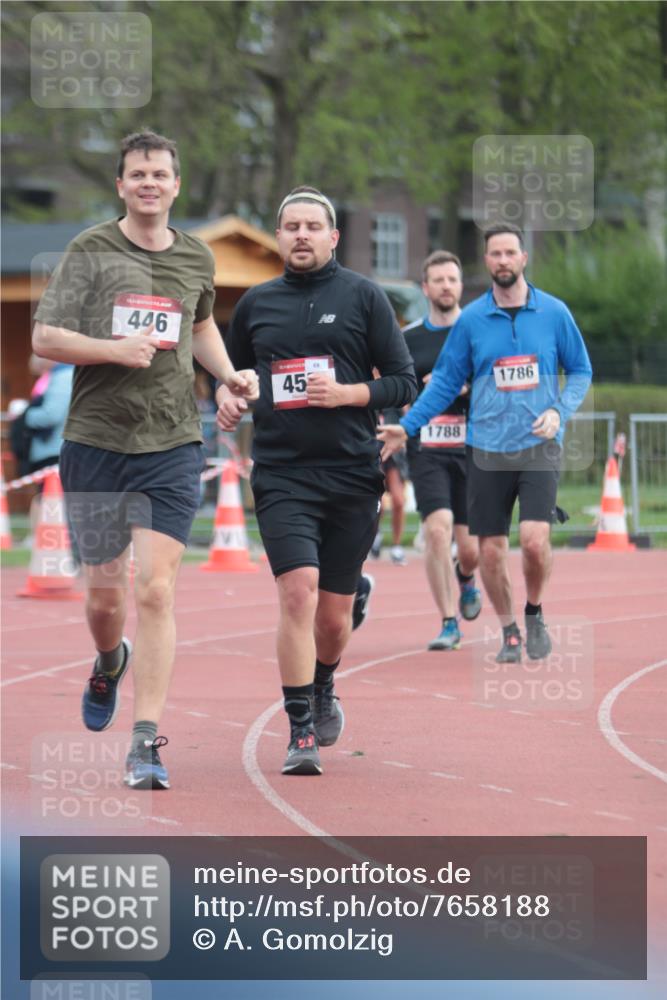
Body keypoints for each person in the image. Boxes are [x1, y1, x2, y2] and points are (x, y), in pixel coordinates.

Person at [32, 129, 258, 790]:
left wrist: (227, 375)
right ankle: (109, 660)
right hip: (97, 442)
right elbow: (46, 335)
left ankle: (145, 742)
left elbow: (199, 323)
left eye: (160, 174)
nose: (150, 184)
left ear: (176, 184)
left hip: (172, 442)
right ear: (122, 184)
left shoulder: (195, 257)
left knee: (155, 588)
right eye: (138, 174)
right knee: (106, 596)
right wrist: (113, 348)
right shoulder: (91, 250)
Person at [218, 185, 417, 776]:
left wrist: (351, 393)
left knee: (332, 618)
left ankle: (325, 683)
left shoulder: (365, 297)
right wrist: (231, 399)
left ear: (333, 236)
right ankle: (300, 728)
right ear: (278, 236)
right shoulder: (255, 304)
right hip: (282, 473)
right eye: (291, 226)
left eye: (313, 226)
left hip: (354, 473)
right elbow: (229, 379)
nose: (301, 235)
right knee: (296, 592)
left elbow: (404, 381)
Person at [378, 222, 592, 663]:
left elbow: (582, 371)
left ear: (523, 258)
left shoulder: (554, 313)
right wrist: (409, 425)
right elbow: (444, 385)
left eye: (510, 252)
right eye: (494, 254)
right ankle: (510, 629)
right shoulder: (473, 321)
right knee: (490, 550)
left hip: (538, 443)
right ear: (488, 262)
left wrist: (559, 411)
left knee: (533, 540)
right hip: (486, 448)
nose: (503, 261)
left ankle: (534, 610)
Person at [400, 250, 482, 650]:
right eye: (439, 279)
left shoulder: (479, 330)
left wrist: (463, 387)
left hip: (473, 446)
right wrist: (419, 392)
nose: (446, 286)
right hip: (428, 446)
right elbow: (394, 387)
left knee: (470, 549)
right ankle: (449, 623)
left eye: (452, 279)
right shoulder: (409, 339)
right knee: (436, 530)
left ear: (460, 286)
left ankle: (466, 577)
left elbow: (496, 383)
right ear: (426, 288)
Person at [371, 407, 408, 566]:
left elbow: (408, 416)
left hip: (393, 453)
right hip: (371, 452)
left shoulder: (396, 394)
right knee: (376, 502)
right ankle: (375, 536)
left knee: (399, 501)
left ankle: (397, 546)